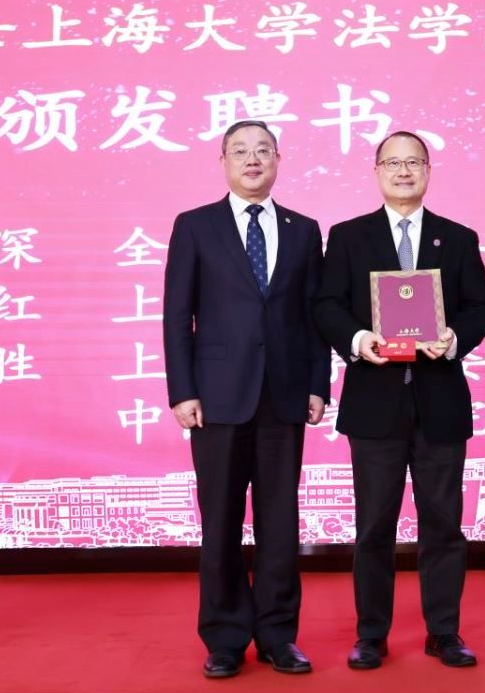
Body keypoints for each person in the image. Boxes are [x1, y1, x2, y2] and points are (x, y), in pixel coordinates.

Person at [312, 131, 485, 670]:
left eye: (414, 162)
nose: (404, 171)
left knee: (444, 526)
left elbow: (481, 308)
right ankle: (371, 635)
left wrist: (454, 338)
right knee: (373, 527)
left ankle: (444, 632)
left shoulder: (456, 238)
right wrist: (358, 340)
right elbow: (326, 305)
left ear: (429, 170)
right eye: (393, 163)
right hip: (374, 405)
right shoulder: (349, 236)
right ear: (377, 172)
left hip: (440, 404)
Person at [162, 120, 330, 679]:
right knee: (221, 522)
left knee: (281, 522)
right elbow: (176, 315)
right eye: (241, 151)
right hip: (216, 398)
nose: (252, 159)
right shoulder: (195, 226)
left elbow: (312, 317)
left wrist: (317, 384)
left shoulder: (304, 230)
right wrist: (182, 390)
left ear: (278, 160)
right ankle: (225, 637)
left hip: (284, 395)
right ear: (224, 161)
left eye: (262, 150)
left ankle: (279, 636)